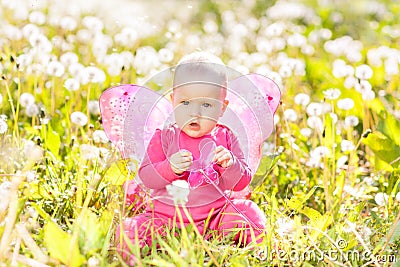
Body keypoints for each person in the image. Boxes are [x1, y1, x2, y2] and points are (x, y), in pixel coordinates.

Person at [117, 52, 267, 261]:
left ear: (222, 107)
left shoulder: (226, 136)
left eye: (206, 105)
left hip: (215, 218)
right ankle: (129, 258)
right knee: (131, 228)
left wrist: (230, 165)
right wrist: (169, 168)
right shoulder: (165, 136)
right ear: (172, 100)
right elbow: (146, 177)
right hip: (164, 218)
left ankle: (262, 250)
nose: (194, 113)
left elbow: (242, 182)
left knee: (247, 212)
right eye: (185, 103)